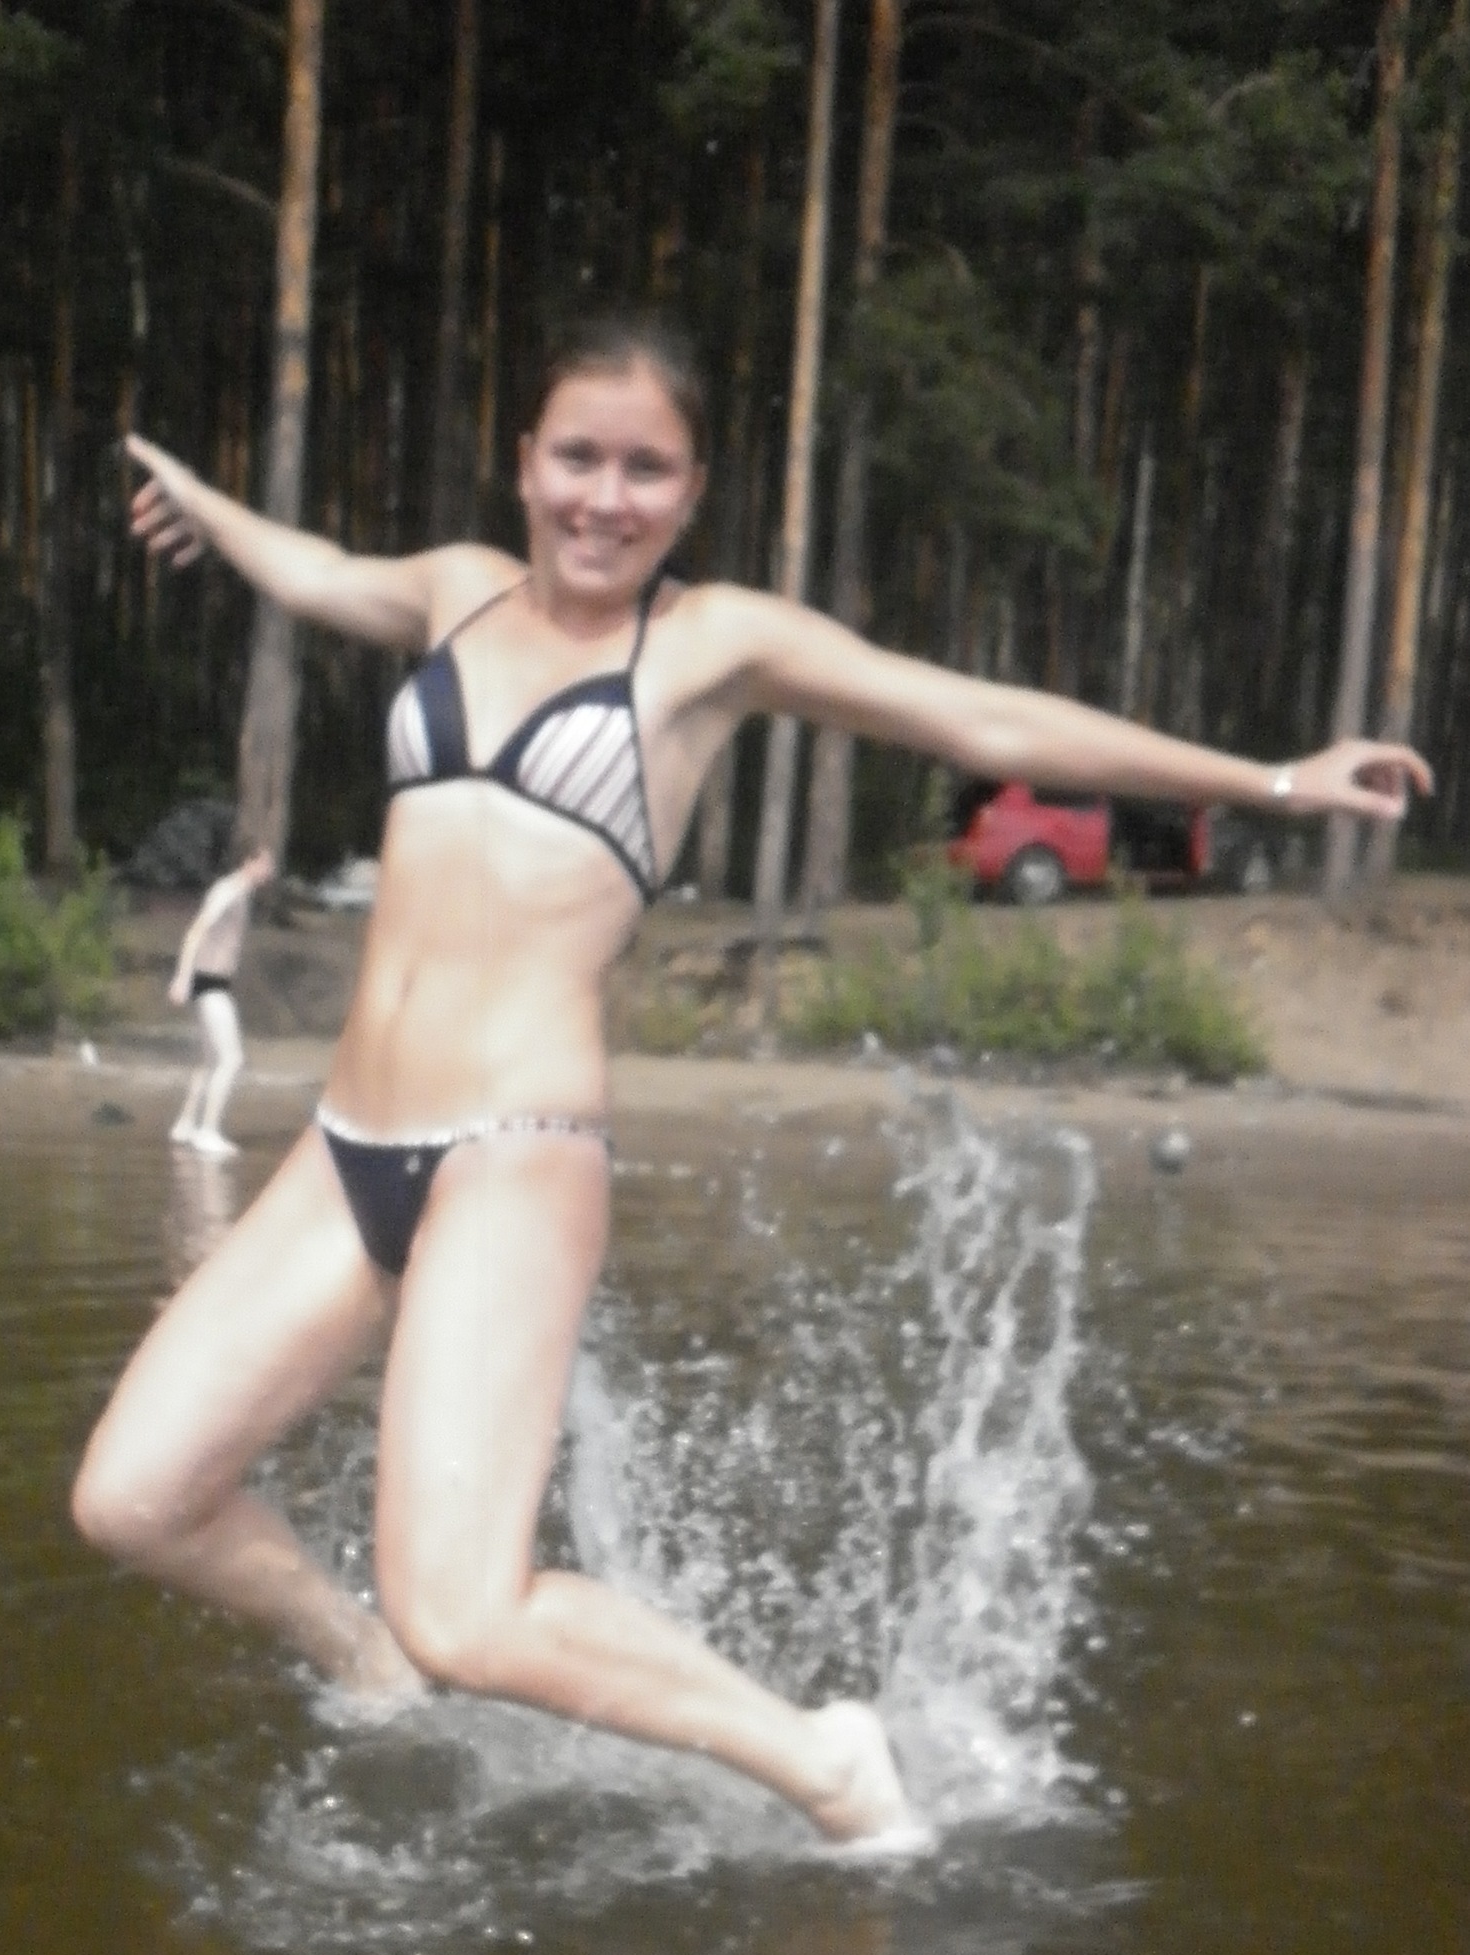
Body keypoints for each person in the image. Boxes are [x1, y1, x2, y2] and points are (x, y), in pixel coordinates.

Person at [71, 312, 1430, 1846]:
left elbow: (979, 715)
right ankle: (362, 1660)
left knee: (468, 1610)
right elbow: (314, 568)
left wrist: (1270, 780)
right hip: (347, 1143)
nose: (604, 498)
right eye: (576, 457)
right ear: (522, 461)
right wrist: (205, 502)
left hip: (510, 1151)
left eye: (645, 469)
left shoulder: (710, 643)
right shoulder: (454, 588)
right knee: (136, 1496)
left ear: (694, 489)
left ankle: (820, 1759)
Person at [166, 845, 277, 1157]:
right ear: (249, 861)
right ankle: (208, 1131)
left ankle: (185, 1125)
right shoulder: (229, 891)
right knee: (232, 1059)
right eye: (266, 863)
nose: (271, 870)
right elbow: (196, 931)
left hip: (214, 982)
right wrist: (182, 978)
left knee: (209, 1060)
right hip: (208, 983)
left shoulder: (238, 892)